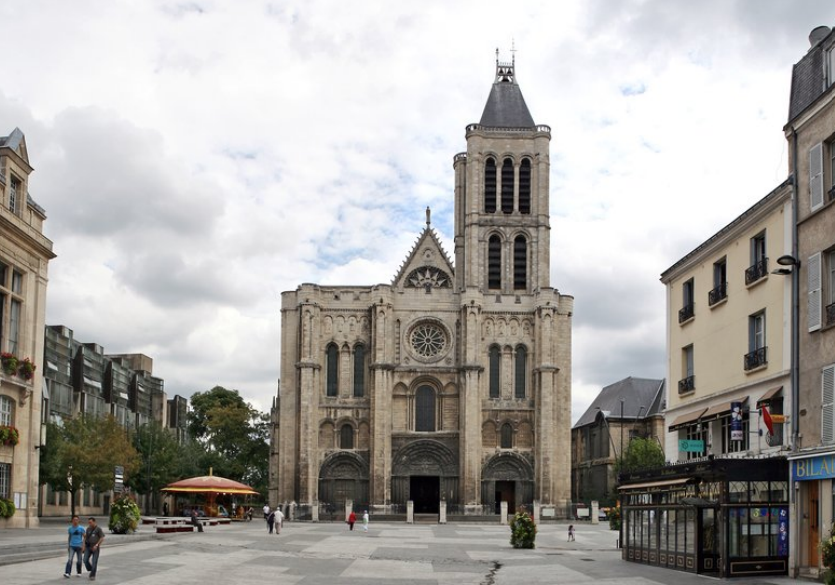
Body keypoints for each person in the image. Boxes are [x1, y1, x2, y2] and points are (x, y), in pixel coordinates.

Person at [83, 517, 105, 581]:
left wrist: (97, 545)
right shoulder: (88, 529)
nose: (89, 524)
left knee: (94, 561)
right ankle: (91, 569)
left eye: (90, 522)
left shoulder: (98, 529)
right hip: (88, 547)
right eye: (89, 522)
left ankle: (92, 575)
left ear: (94, 522)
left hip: (95, 547)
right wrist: (83, 546)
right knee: (85, 560)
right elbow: (85, 538)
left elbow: (102, 538)